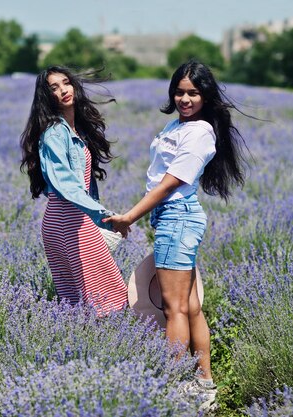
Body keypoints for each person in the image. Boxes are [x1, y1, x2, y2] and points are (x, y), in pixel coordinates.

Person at [104, 59, 247, 411]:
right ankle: (204, 386)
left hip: (177, 218)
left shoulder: (198, 132)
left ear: (206, 96)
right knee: (191, 307)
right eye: (180, 92)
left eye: (193, 93)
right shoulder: (176, 125)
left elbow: (171, 183)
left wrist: (130, 218)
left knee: (174, 309)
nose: (185, 99)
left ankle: (174, 386)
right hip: (173, 219)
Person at [20, 65, 128, 316]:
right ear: (47, 97)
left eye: (66, 83)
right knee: (104, 299)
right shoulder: (55, 133)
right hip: (68, 223)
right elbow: (67, 185)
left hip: (70, 221)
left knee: (80, 303)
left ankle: (87, 351)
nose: (63, 90)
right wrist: (105, 216)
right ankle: (99, 351)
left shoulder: (72, 130)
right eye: (54, 88)